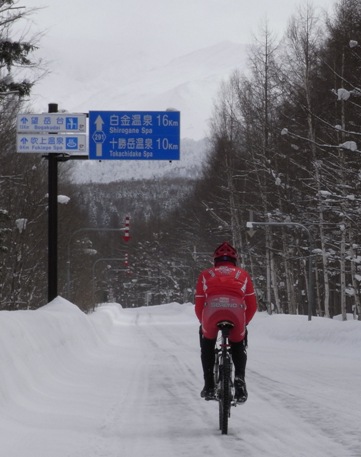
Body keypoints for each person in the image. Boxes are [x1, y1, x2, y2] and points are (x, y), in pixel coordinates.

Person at [194, 241, 257, 402]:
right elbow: (252, 305)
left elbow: (199, 305)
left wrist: (204, 324)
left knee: (208, 342)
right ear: (234, 261)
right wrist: (245, 323)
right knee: (238, 343)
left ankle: (209, 385)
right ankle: (240, 382)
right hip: (236, 310)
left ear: (215, 261)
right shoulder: (243, 275)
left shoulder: (205, 274)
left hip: (212, 310)